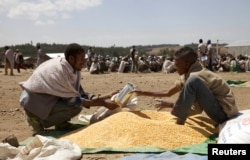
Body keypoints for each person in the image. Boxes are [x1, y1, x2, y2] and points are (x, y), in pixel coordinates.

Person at [19, 43, 119, 133]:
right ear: (71, 59)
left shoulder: (72, 70)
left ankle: (61, 124)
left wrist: (107, 96)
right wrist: (103, 103)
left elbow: (80, 94)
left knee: (75, 103)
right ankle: (36, 120)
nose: (83, 61)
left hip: (44, 101)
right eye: (81, 58)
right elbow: (74, 101)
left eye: (84, 58)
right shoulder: (60, 71)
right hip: (34, 103)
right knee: (75, 107)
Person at [131, 46, 239, 125]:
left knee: (193, 81)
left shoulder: (196, 76)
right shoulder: (190, 73)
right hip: (218, 110)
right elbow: (167, 92)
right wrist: (141, 92)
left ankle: (179, 124)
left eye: (177, 64)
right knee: (192, 81)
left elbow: (196, 110)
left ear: (186, 64)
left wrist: (176, 109)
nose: (175, 67)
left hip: (225, 115)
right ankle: (179, 119)